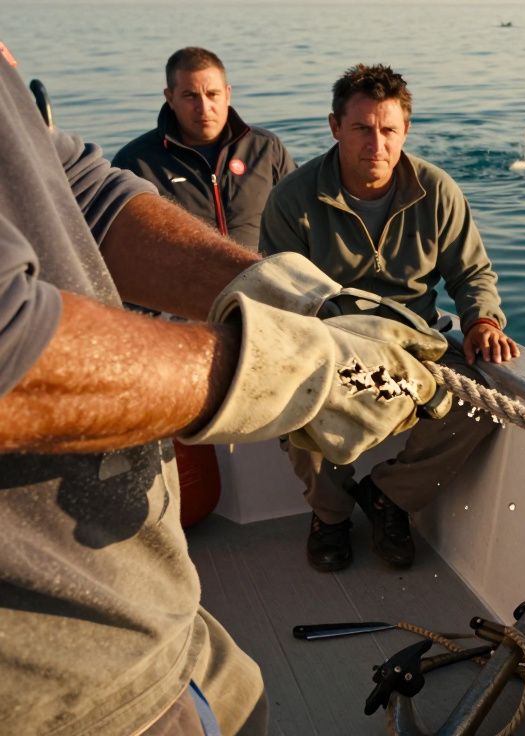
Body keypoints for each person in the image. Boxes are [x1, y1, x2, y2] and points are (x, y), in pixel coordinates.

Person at [0, 42, 449, 735]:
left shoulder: (274, 151)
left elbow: (85, 194)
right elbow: (14, 357)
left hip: (155, 614)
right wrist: (284, 366)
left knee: (242, 696)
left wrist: (302, 307)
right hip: (54, 683)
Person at [260, 63, 519, 573]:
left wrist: (483, 322)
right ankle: (331, 517)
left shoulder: (436, 190)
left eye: (387, 130)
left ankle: (388, 497)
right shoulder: (293, 198)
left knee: (487, 402)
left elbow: (472, 274)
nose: (375, 144)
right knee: (293, 399)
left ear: (405, 130)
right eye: (361, 128)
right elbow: (279, 296)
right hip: (327, 342)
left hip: (415, 343)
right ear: (335, 126)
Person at [112, 47, 294, 251]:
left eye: (212, 94)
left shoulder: (266, 149)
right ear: (170, 98)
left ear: (227, 94)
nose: (204, 107)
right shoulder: (136, 163)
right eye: (190, 96)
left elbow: (300, 217)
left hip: (265, 277)